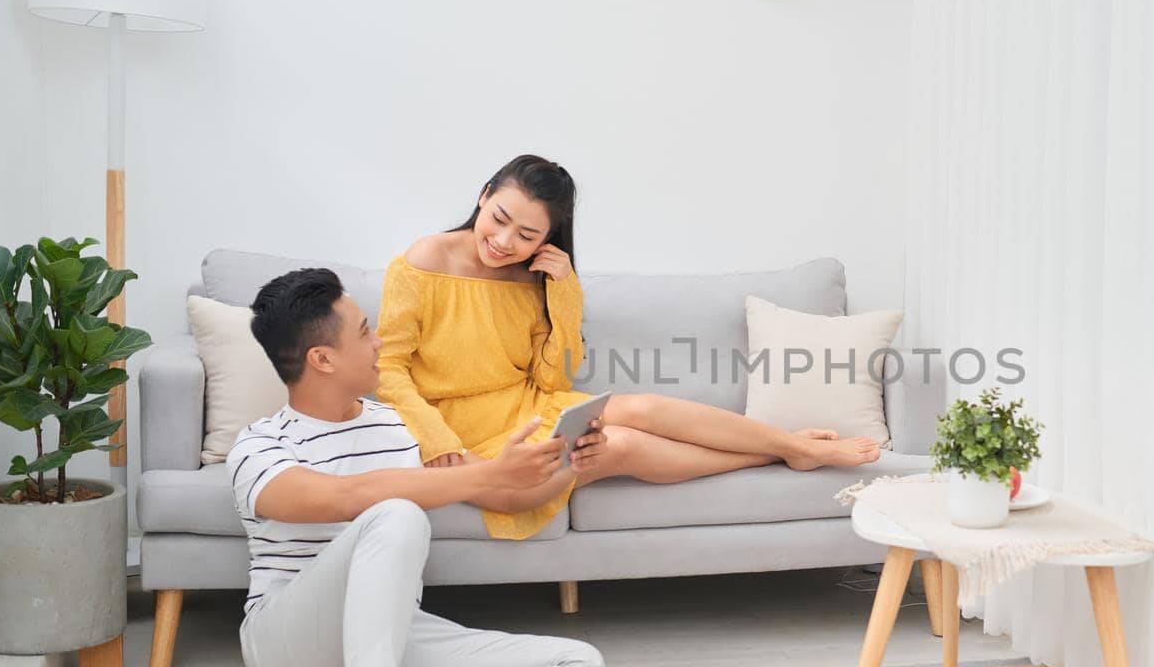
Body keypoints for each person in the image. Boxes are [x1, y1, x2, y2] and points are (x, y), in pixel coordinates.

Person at [229, 267, 608, 667]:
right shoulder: (260, 445)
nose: (380, 340)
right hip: (289, 651)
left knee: (580, 663)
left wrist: (566, 465)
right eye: (363, 331)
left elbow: (502, 492)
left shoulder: (395, 427)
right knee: (397, 513)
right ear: (322, 359)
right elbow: (342, 498)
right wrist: (482, 477)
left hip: (389, 643)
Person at [375, 153, 884, 541]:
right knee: (619, 445)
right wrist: (437, 438)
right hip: (455, 428)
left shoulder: (533, 278)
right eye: (500, 217)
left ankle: (788, 444)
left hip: (528, 406)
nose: (505, 241)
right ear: (484, 196)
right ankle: (786, 451)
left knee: (641, 407)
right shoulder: (423, 261)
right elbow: (389, 367)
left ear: (548, 239)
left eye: (527, 234)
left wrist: (564, 290)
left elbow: (552, 381)